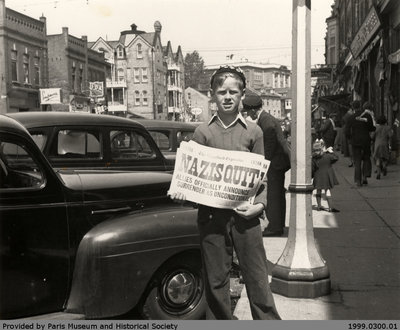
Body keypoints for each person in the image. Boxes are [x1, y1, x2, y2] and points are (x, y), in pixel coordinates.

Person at [169, 66, 281, 320]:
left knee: (256, 278)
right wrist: (182, 191)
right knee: (216, 280)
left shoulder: (254, 132)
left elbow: (262, 178)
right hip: (211, 217)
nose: (228, 97)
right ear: (212, 95)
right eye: (222, 92)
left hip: (246, 216)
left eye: (234, 92)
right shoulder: (202, 132)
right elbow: (193, 177)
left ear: (242, 95)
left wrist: (260, 207)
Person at [243, 94, 291, 237]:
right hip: (278, 163)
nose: (247, 115)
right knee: (277, 195)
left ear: (252, 110)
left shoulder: (266, 122)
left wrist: (262, 164)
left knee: (273, 196)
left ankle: (275, 228)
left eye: (247, 112)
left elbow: (268, 147)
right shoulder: (266, 119)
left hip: (274, 165)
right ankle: (278, 225)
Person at [345, 101, 376, 187]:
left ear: (353, 108)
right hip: (366, 141)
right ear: (361, 107)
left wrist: (350, 138)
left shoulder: (351, 118)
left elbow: (346, 131)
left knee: (357, 161)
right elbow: (371, 128)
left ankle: (358, 181)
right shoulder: (367, 116)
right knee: (366, 158)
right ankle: (365, 177)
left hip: (355, 142)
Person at [312, 139, 339, 212]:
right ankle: (330, 207)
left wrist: (312, 176)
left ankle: (319, 206)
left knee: (318, 191)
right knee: (327, 191)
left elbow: (312, 168)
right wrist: (331, 152)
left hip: (318, 176)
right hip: (327, 176)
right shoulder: (327, 156)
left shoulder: (314, 158)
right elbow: (336, 158)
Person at [372, 115, 393, 179]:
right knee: (384, 158)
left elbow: (372, 137)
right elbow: (390, 136)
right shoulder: (388, 128)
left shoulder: (376, 128)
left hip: (377, 145)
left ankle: (378, 173)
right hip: (385, 144)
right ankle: (384, 166)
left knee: (378, 158)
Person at [341, 102, 357, 167]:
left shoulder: (349, 114)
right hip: (351, 133)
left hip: (351, 133)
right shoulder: (349, 113)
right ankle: (353, 161)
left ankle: (352, 161)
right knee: (350, 148)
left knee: (350, 148)